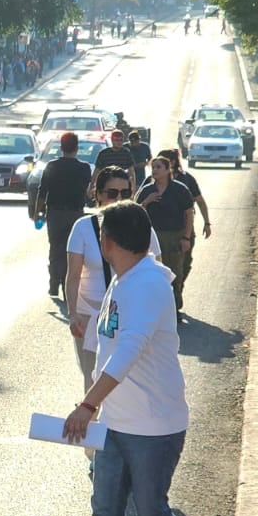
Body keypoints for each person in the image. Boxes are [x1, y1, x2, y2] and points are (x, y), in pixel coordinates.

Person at [62, 201, 204, 516]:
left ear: (107, 242)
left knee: (150, 510)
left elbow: (130, 350)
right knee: (105, 511)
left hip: (154, 427)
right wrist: (99, 410)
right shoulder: (124, 280)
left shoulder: (147, 285)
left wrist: (87, 405)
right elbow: (108, 346)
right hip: (116, 424)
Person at [66, 167, 163, 391]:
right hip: (90, 315)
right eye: (112, 193)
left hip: (131, 314)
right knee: (92, 379)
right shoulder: (82, 228)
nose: (118, 199)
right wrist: (73, 314)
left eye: (125, 193)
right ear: (98, 194)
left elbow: (157, 269)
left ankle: (116, 424)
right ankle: (92, 420)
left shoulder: (141, 226)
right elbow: (73, 276)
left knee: (128, 380)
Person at [35, 132, 95, 298]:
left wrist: (37, 213)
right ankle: (67, 284)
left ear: (61, 148)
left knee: (55, 247)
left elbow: (42, 191)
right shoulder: (83, 168)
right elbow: (87, 192)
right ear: (77, 148)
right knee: (73, 250)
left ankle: (54, 282)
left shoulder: (52, 166)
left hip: (55, 213)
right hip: (75, 213)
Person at [136, 155, 196, 316]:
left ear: (167, 170)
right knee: (153, 274)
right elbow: (135, 212)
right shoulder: (148, 190)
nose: (154, 170)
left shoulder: (179, 189)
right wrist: (147, 201)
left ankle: (174, 308)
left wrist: (186, 237)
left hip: (175, 237)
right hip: (152, 238)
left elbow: (188, 213)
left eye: (158, 167)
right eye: (153, 167)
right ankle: (155, 309)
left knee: (174, 272)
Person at [160, 148, 213, 294]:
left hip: (184, 229)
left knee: (184, 264)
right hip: (160, 231)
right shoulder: (152, 181)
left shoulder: (186, 179)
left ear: (172, 162)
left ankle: (178, 288)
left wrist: (207, 223)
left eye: (163, 162)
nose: (157, 167)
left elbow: (200, 201)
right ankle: (171, 298)